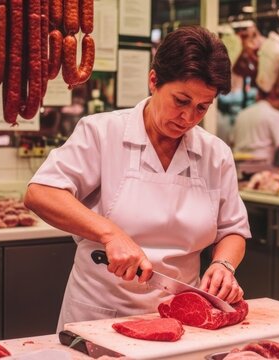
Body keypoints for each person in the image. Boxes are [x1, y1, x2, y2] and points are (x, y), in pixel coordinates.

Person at [24, 26, 251, 330]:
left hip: (182, 319)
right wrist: (110, 234)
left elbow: (233, 230)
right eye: (180, 101)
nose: (188, 118)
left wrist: (224, 265)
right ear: (154, 80)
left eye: (202, 107)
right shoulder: (102, 132)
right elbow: (40, 193)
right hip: (100, 317)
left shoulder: (215, 153)